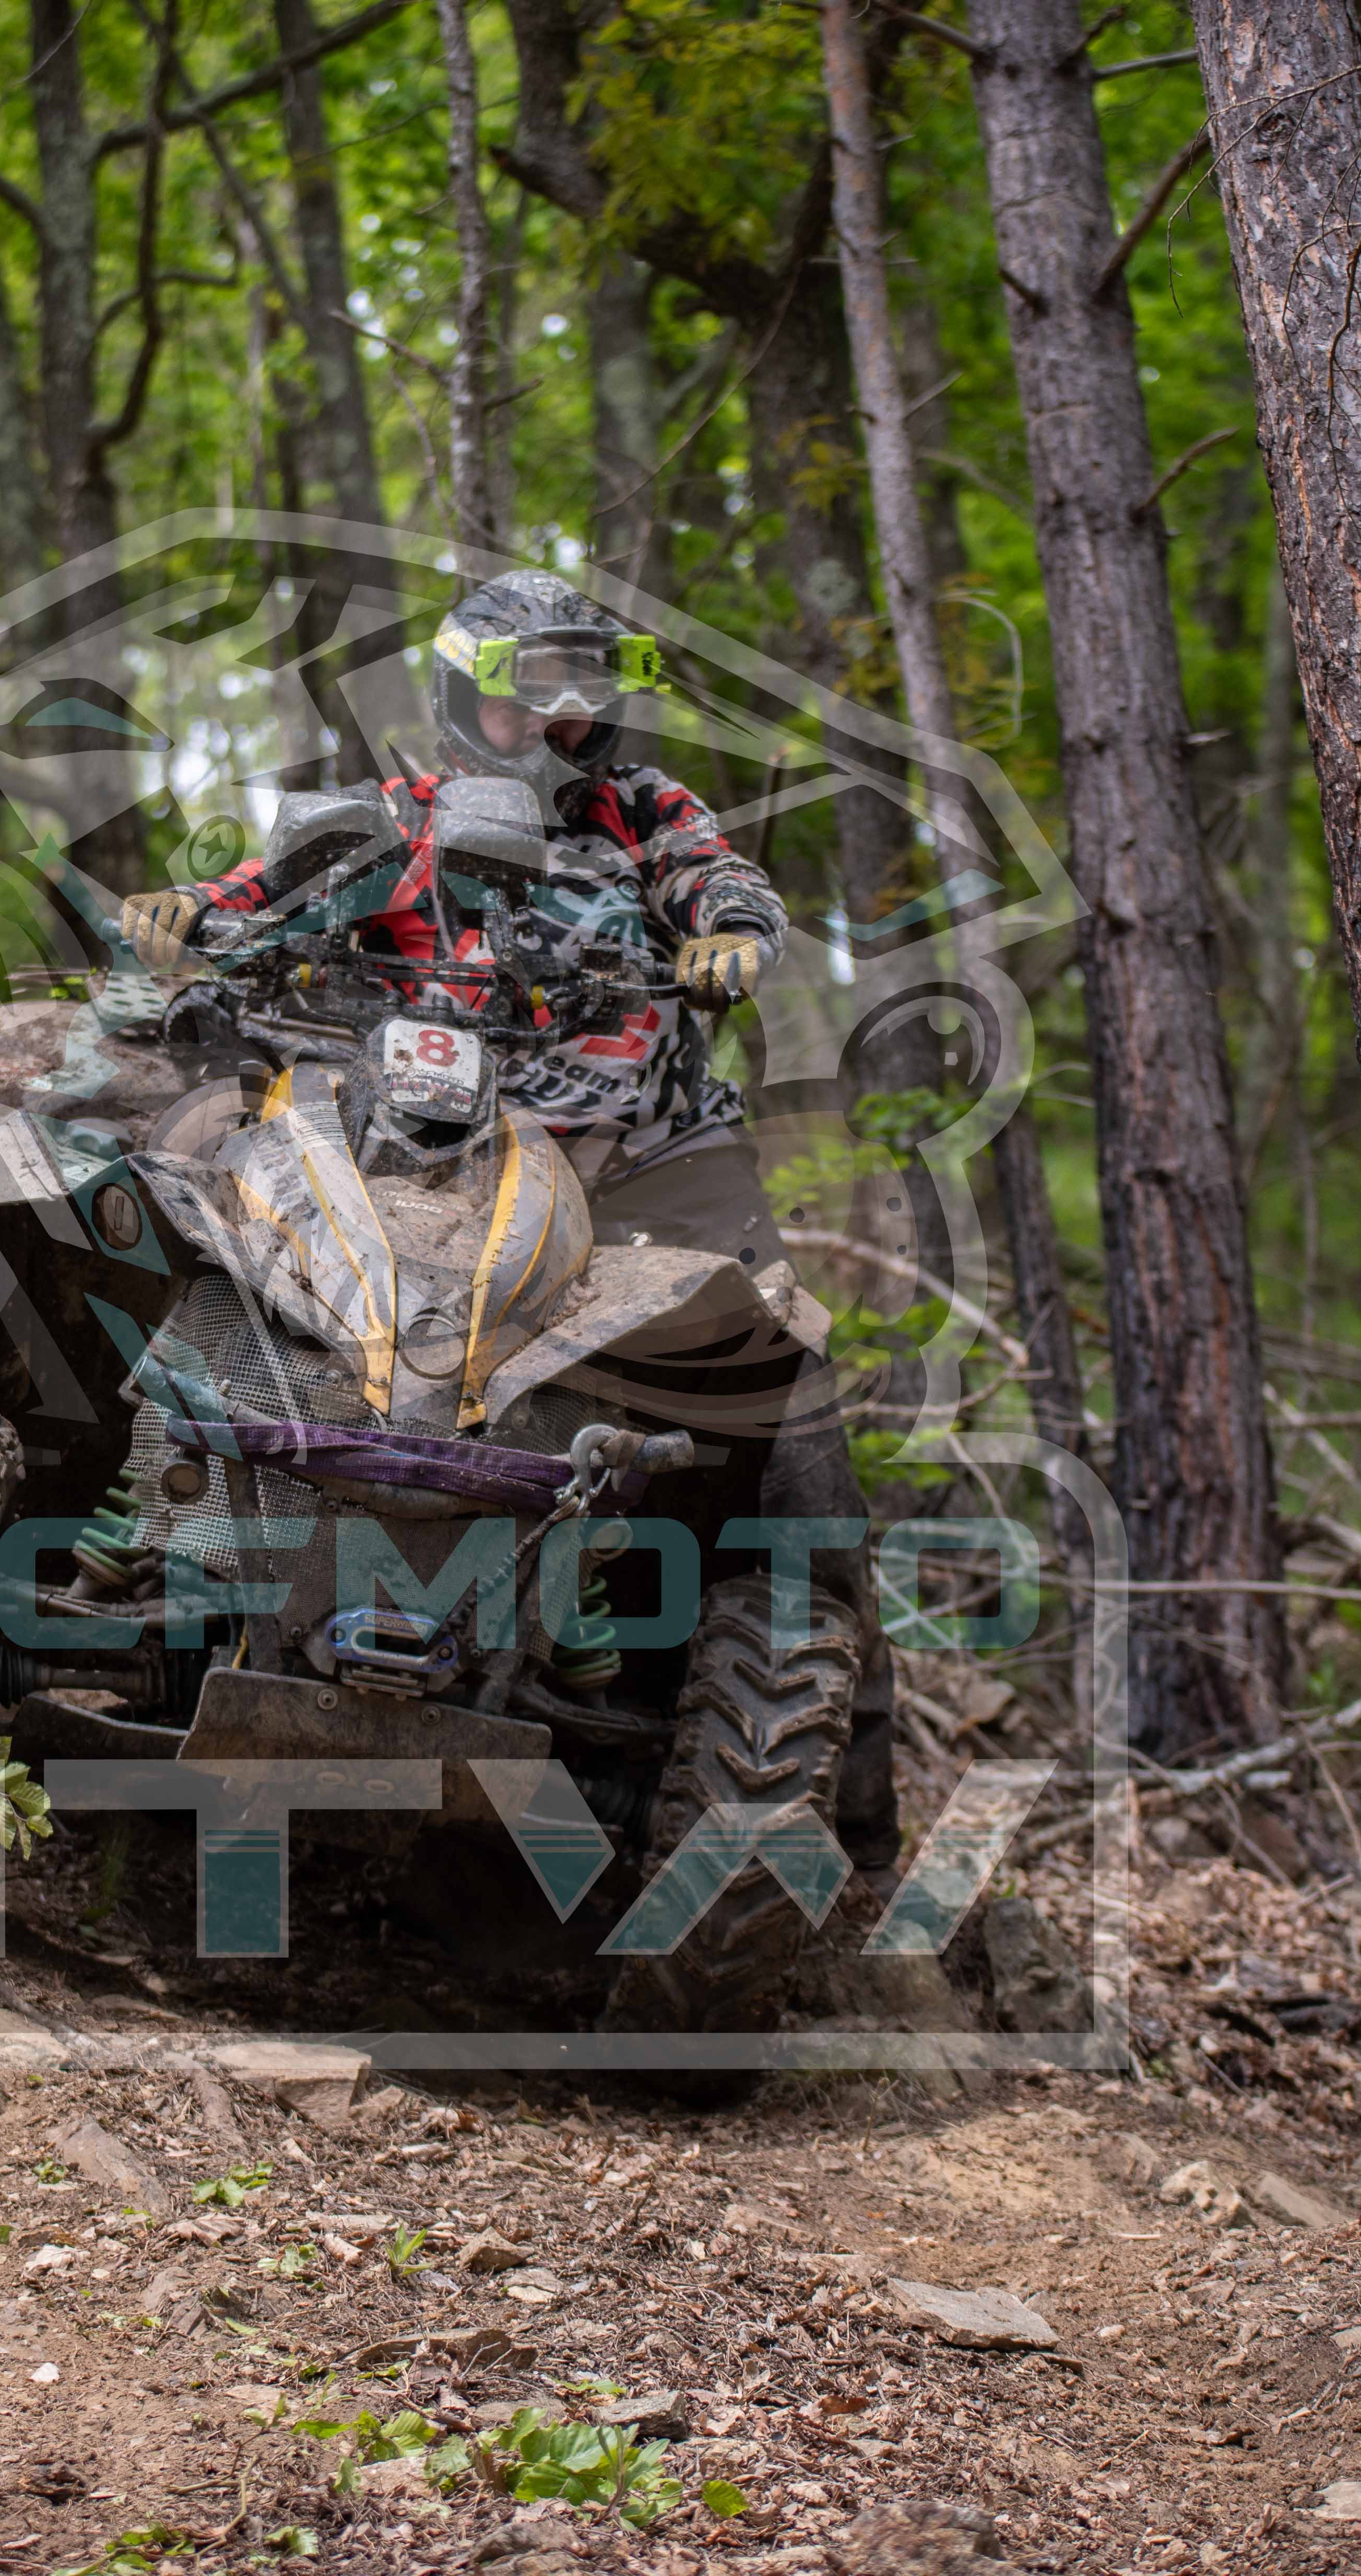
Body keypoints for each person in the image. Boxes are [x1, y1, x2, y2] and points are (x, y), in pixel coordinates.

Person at [112, 570, 903, 1874]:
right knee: (267, 1307)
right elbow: (271, 893)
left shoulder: (643, 811)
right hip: (454, 1160)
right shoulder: (403, 817)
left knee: (791, 1431)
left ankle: (851, 1818)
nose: (558, 717)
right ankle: (172, 1594)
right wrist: (191, 913)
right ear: (460, 692)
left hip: (650, 1163)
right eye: (529, 690)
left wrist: (729, 935)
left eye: (580, 690)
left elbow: (720, 879)